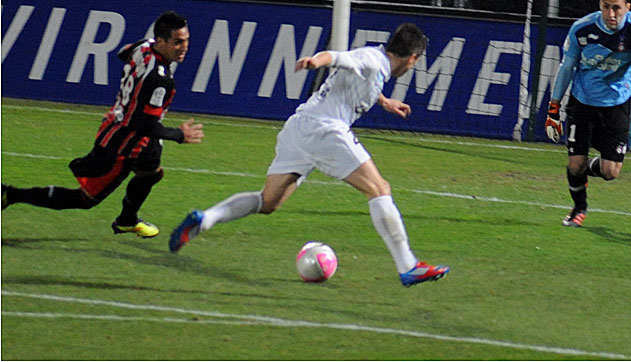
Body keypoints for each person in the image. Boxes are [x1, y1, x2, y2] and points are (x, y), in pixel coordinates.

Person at [170, 23, 449, 287]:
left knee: (267, 202)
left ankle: (204, 219)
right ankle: (407, 265)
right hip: (325, 131)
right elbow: (338, 57)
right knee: (379, 188)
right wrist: (317, 61)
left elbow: (360, 77)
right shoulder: (372, 59)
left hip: (300, 128)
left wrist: (385, 101)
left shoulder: (377, 65)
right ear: (412, 58)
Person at [1, 11, 204, 238]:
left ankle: (127, 220)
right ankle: (11, 194)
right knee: (86, 199)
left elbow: (122, 52)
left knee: (151, 172)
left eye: (186, 40)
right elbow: (142, 124)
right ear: (161, 41)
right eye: (178, 42)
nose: (184, 47)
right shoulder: (159, 79)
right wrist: (179, 134)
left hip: (124, 125)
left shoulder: (145, 46)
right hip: (123, 141)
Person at [545, 0, 631, 227]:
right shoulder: (582, 29)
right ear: (600, 5)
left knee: (611, 172)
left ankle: (584, 169)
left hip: (617, 104)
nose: (611, 14)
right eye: (606, 7)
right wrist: (554, 108)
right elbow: (567, 67)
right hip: (582, 102)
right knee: (574, 163)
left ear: (627, 7)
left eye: (616, 8)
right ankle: (579, 207)